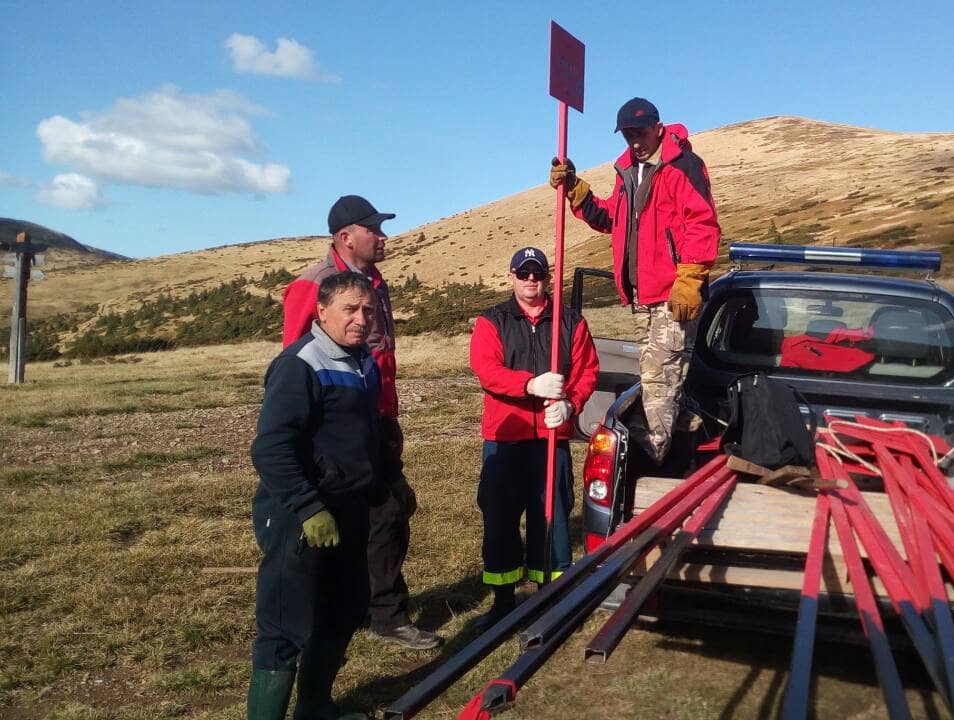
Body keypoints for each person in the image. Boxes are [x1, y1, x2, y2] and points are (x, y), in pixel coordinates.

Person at [281, 195, 438, 650]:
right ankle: (377, 613)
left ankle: (366, 607)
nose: (384, 236)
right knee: (377, 512)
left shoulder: (373, 281)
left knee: (389, 510)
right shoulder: (314, 285)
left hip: (379, 415)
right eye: (375, 229)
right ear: (346, 237)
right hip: (340, 425)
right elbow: (296, 360)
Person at [248, 271, 391, 720]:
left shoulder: (363, 361)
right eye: (350, 309)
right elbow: (271, 447)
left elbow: (362, 433)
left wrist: (383, 480)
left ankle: (314, 708)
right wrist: (309, 507)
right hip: (300, 515)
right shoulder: (301, 364)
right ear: (322, 311)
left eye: (368, 309)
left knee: (343, 609)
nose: (361, 318)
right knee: (286, 625)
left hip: (350, 509)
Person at [548, 97, 720, 463]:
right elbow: (612, 217)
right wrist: (577, 190)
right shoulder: (627, 172)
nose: (634, 141)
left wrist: (689, 276)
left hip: (674, 294)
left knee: (658, 379)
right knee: (662, 374)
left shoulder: (683, 165)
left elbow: (701, 223)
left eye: (640, 133)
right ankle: (682, 453)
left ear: (658, 128)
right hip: (643, 296)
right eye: (627, 135)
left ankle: (646, 465)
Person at [468, 246, 600, 628]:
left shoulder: (571, 322)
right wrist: (530, 385)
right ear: (511, 277)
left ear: (547, 278)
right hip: (505, 437)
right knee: (500, 520)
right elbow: (487, 371)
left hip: (550, 439)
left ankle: (550, 599)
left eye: (537, 274)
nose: (530, 280)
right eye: (523, 274)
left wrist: (572, 405)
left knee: (553, 520)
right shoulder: (491, 320)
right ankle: (503, 601)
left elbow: (588, 370)